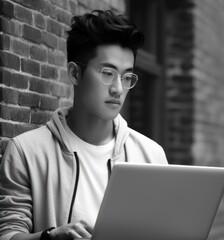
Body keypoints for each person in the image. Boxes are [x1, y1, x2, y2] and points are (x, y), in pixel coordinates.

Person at [0, 10, 168, 240]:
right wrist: (51, 237)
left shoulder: (151, 155)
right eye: (108, 73)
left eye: (127, 77)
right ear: (74, 73)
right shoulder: (26, 152)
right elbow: (8, 234)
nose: (118, 89)